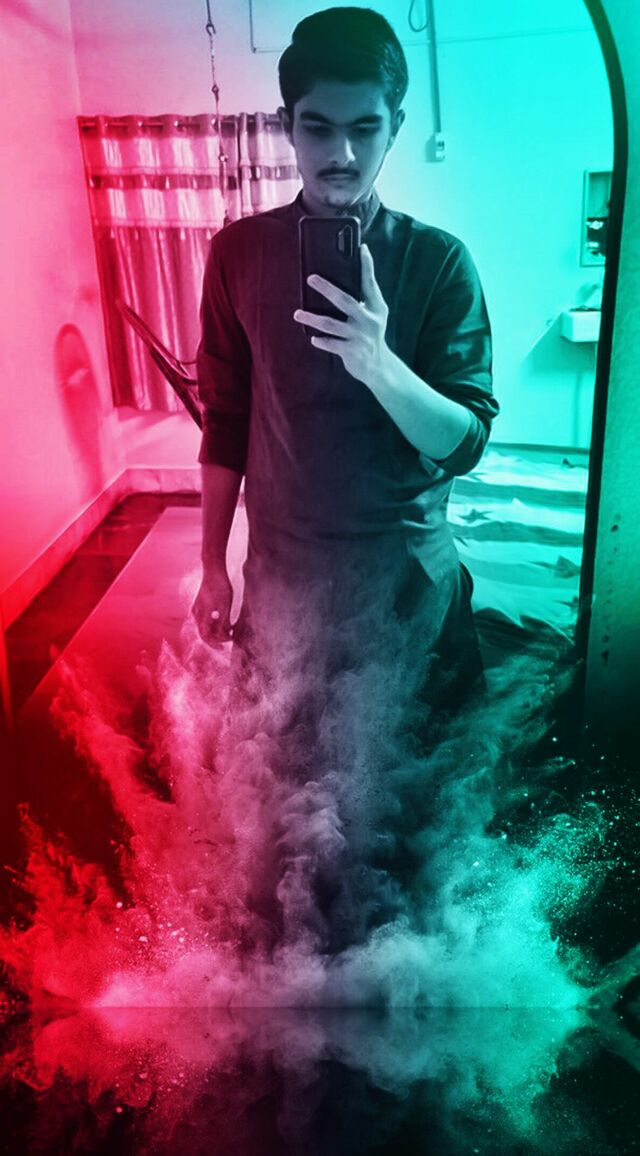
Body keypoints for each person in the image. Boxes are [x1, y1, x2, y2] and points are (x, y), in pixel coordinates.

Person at [191, 7, 499, 945]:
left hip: (407, 588)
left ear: (394, 127)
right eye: (319, 127)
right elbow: (226, 420)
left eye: (366, 127)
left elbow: (464, 442)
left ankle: (418, 990)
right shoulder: (237, 253)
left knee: (420, 819)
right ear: (287, 125)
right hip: (283, 585)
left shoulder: (437, 261)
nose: (342, 153)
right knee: (288, 819)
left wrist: (379, 363)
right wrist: (211, 564)